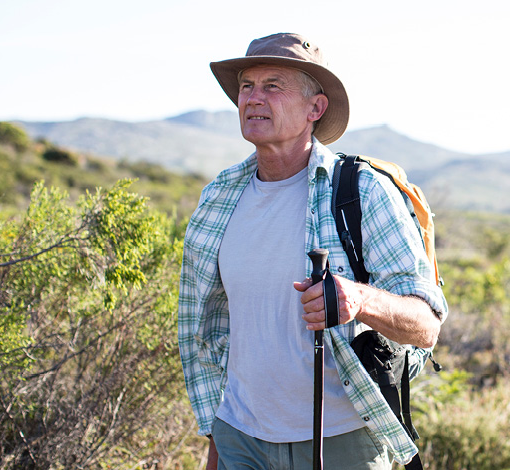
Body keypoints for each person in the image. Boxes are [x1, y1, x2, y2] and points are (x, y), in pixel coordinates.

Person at [178, 33, 447, 470]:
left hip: (341, 440)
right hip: (239, 439)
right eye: (247, 86)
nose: (253, 98)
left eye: (272, 86)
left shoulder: (363, 192)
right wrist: (218, 437)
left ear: (315, 109)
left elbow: (426, 326)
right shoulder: (218, 199)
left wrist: (357, 300)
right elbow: (209, 330)